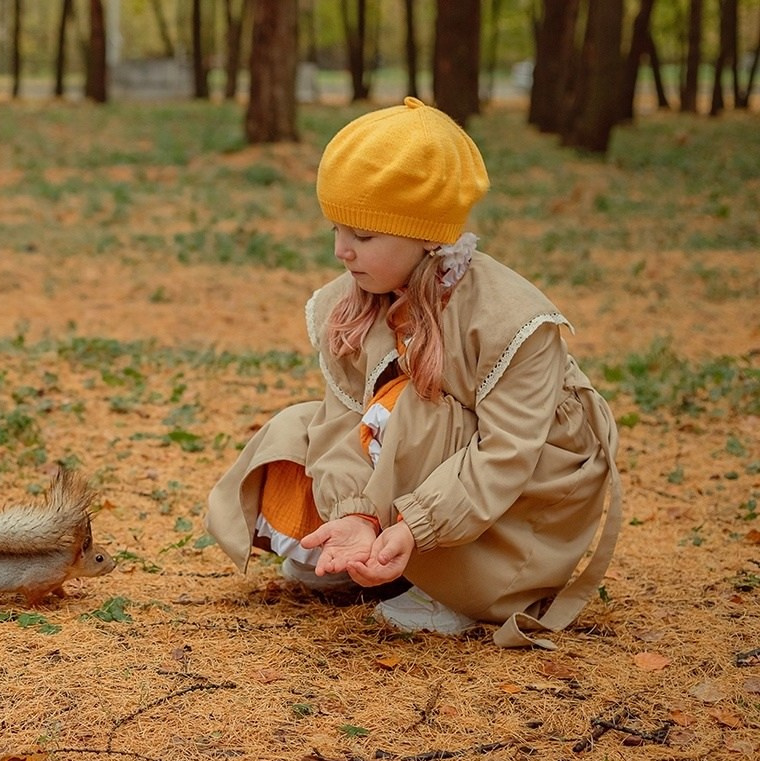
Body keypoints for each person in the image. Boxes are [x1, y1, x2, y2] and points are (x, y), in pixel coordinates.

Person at [204, 97, 621, 649]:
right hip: (419, 468)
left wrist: (414, 528)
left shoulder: (512, 321)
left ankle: (449, 584)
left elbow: (507, 454)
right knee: (301, 425)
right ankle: (360, 551)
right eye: (335, 229)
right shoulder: (356, 302)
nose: (341, 252)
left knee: (416, 412)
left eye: (364, 236)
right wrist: (355, 514)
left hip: (523, 494)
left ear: (429, 234)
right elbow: (342, 422)